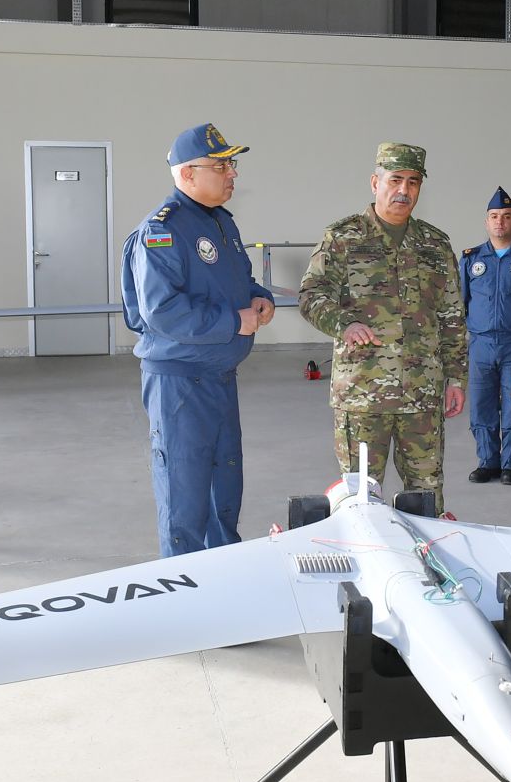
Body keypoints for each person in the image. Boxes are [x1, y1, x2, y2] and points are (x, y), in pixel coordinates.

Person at [120, 122, 275, 558]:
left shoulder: (221, 223)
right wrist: (233, 321)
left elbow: (237, 282)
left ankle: (223, 566)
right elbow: (161, 311)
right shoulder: (162, 230)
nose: (233, 174)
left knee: (224, 480)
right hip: (180, 382)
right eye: (221, 165)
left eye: (232, 164)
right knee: (185, 489)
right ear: (187, 175)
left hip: (219, 375)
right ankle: (181, 581)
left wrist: (258, 300)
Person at [299, 143, 466, 509]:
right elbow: (311, 295)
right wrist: (344, 324)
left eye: (413, 182)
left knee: (426, 498)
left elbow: (452, 316)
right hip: (362, 398)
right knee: (360, 499)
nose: (403, 191)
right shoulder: (343, 238)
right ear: (375, 182)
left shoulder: (436, 245)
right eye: (395, 180)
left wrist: (456, 378)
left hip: (422, 396)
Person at [459, 188, 511, 485]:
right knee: (481, 405)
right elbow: (461, 302)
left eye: (506, 217)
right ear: (486, 222)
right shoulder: (471, 259)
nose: (500, 222)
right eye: (494, 217)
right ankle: (487, 461)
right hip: (481, 345)